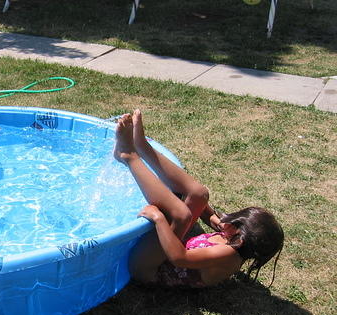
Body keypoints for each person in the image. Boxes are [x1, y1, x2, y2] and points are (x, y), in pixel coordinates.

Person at [113, 110, 284, 288]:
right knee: (200, 194)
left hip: (149, 269)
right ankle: (142, 146)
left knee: (182, 215)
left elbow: (180, 258)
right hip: (163, 254)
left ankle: (128, 156)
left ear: (240, 239)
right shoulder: (233, 239)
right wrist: (201, 204)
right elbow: (208, 213)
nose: (225, 222)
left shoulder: (228, 255)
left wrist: (159, 219)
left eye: (231, 223)